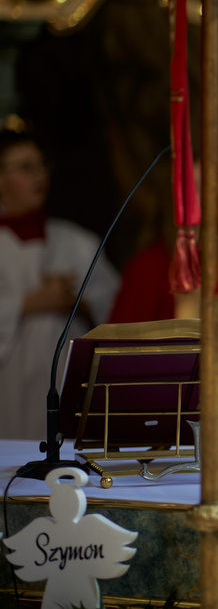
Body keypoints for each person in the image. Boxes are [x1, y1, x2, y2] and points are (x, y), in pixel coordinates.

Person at [0, 126, 119, 441]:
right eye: (26, 167)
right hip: (9, 380)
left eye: (42, 165)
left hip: (66, 376)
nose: (39, 175)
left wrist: (78, 301)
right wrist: (28, 304)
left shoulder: (76, 240)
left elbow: (114, 306)